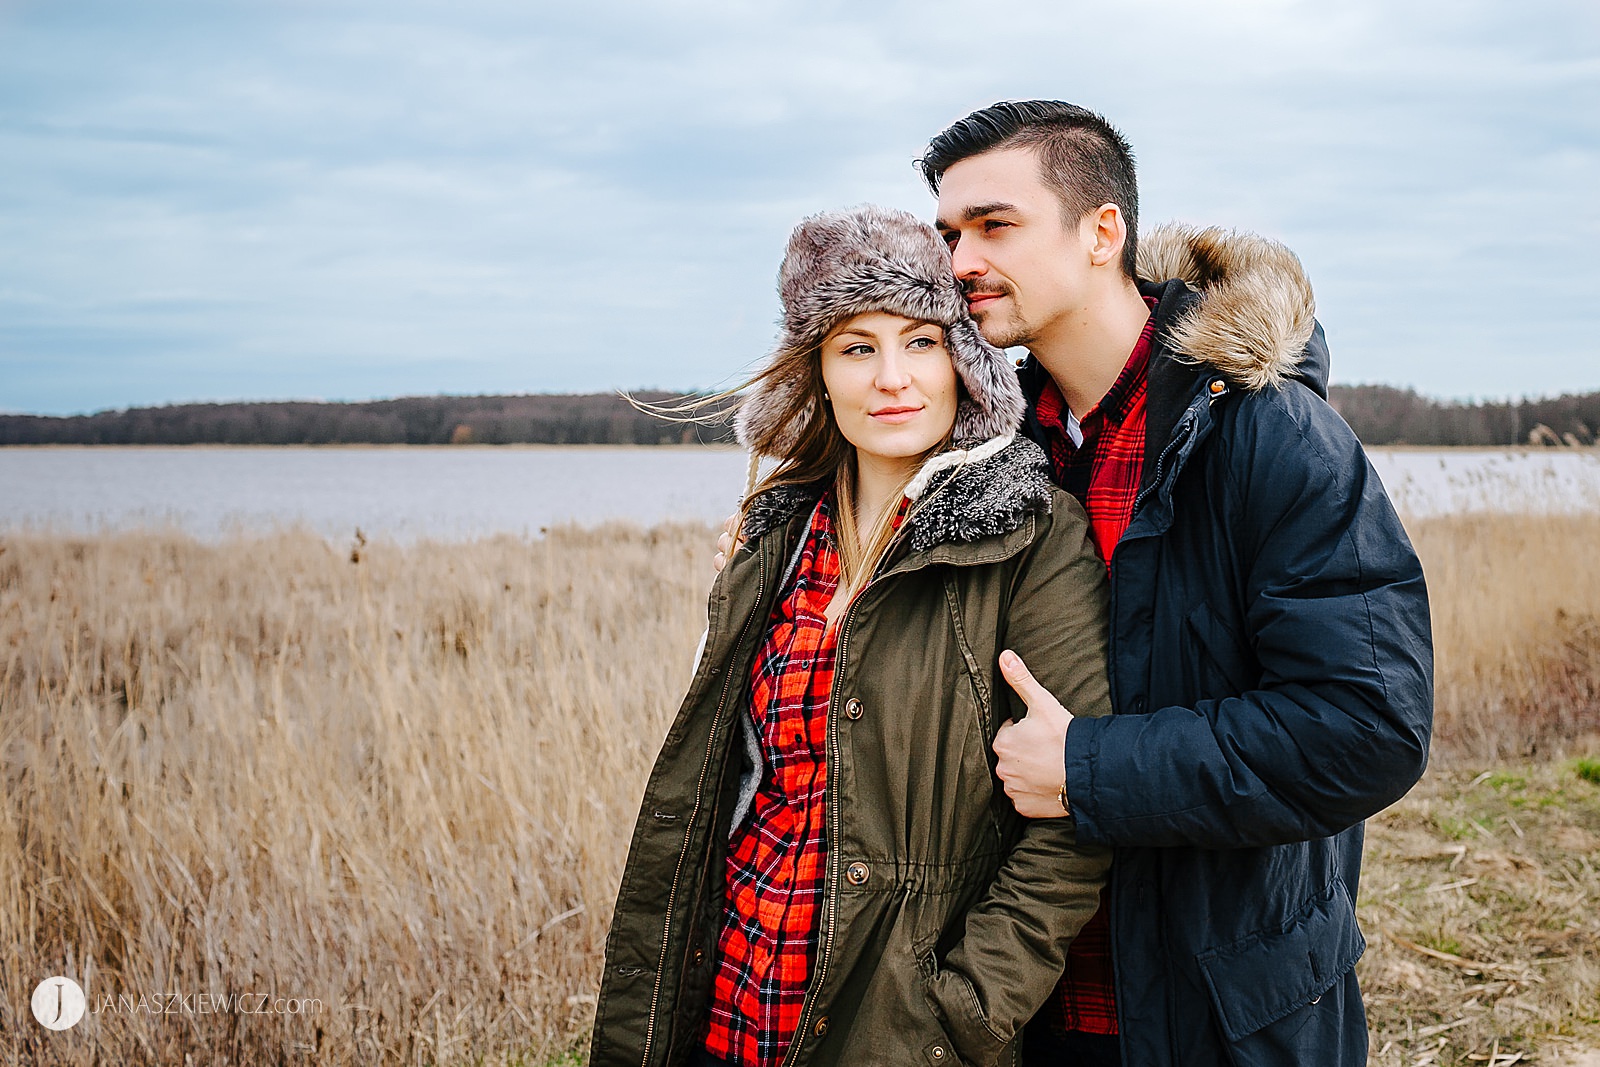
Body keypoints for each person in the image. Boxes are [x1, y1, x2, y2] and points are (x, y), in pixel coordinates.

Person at [919, 101, 1435, 1066]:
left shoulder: (1268, 435)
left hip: (1224, 1015)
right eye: (950, 235)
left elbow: (1370, 726)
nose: (959, 264)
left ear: (1103, 231)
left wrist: (1087, 770)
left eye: (995, 225)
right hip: (1021, 1008)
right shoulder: (993, 454)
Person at [589, 205, 1116, 1067]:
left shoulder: (1031, 534)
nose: (891, 379)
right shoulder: (774, 536)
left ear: (966, 363)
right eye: (857, 347)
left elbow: (1073, 825)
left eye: (920, 341)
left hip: (895, 1032)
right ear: (819, 374)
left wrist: (960, 1014)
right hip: (726, 1007)